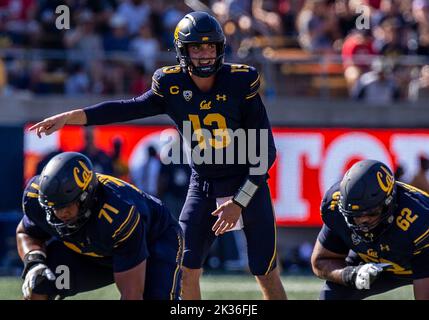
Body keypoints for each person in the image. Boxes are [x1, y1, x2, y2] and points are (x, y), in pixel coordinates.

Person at [28, 11, 286, 300]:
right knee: (186, 268)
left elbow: (265, 152)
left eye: (210, 46)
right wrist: (72, 117)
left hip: (245, 184)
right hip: (204, 184)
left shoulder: (241, 82)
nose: (204, 54)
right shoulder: (170, 85)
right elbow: (126, 108)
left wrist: (239, 201)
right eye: (197, 47)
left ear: (220, 48)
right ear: (182, 51)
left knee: (264, 270)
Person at [17, 152, 183, 300]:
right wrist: (33, 261)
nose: (60, 214)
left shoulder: (117, 214)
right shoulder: (36, 198)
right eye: (53, 208)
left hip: (152, 240)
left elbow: (131, 295)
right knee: (39, 283)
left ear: (85, 197)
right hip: (93, 248)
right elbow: (26, 232)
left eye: (65, 206)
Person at [311, 159, 429, 300]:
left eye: (371, 213)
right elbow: (320, 261)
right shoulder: (335, 207)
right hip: (376, 262)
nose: (363, 221)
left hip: (419, 262)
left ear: (389, 204)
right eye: (355, 216)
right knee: (331, 295)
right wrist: (350, 274)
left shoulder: (419, 219)